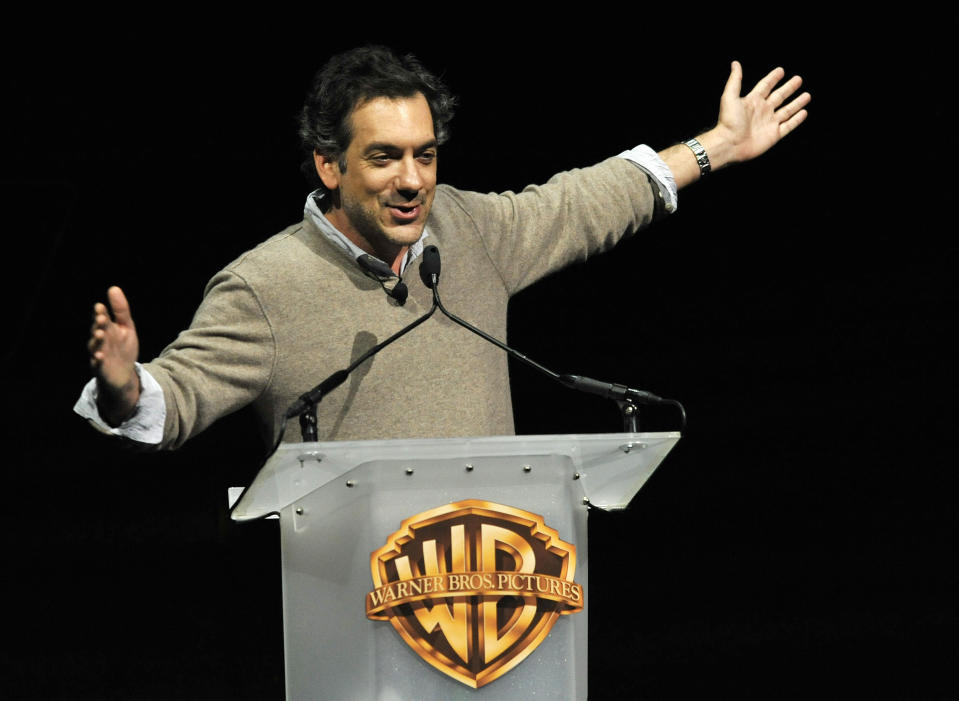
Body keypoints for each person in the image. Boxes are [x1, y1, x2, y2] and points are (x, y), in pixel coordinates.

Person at [75, 46, 810, 450]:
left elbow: (585, 202)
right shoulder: (265, 284)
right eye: (385, 157)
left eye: (425, 156)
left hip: (498, 598)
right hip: (359, 611)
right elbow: (173, 401)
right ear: (328, 165)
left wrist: (717, 145)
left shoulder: (467, 231)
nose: (412, 181)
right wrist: (125, 385)